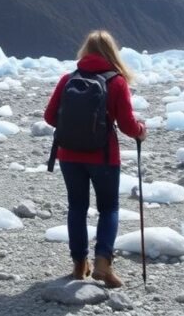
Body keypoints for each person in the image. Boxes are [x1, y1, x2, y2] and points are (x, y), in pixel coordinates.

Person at [44, 30, 147, 288]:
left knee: (77, 208)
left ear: (85, 51)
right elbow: (126, 125)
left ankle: (79, 265)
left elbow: (49, 116)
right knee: (108, 208)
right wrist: (140, 131)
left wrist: (72, 127)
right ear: (112, 53)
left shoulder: (68, 79)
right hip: (103, 156)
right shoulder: (116, 81)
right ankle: (103, 263)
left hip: (68, 154)